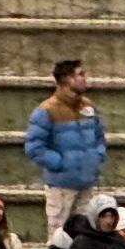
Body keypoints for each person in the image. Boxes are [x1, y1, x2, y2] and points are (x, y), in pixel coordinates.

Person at [22, 62, 107, 237]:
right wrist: (61, 164)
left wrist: (96, 156)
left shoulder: (88, 106)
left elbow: (99, 136)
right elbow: (34, 147)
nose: (85, 78)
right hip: (61, 187)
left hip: (88, 182)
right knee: (59, 235)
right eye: (80, 74)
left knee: (87, 234)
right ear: (68, 79)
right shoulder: (45, 111)